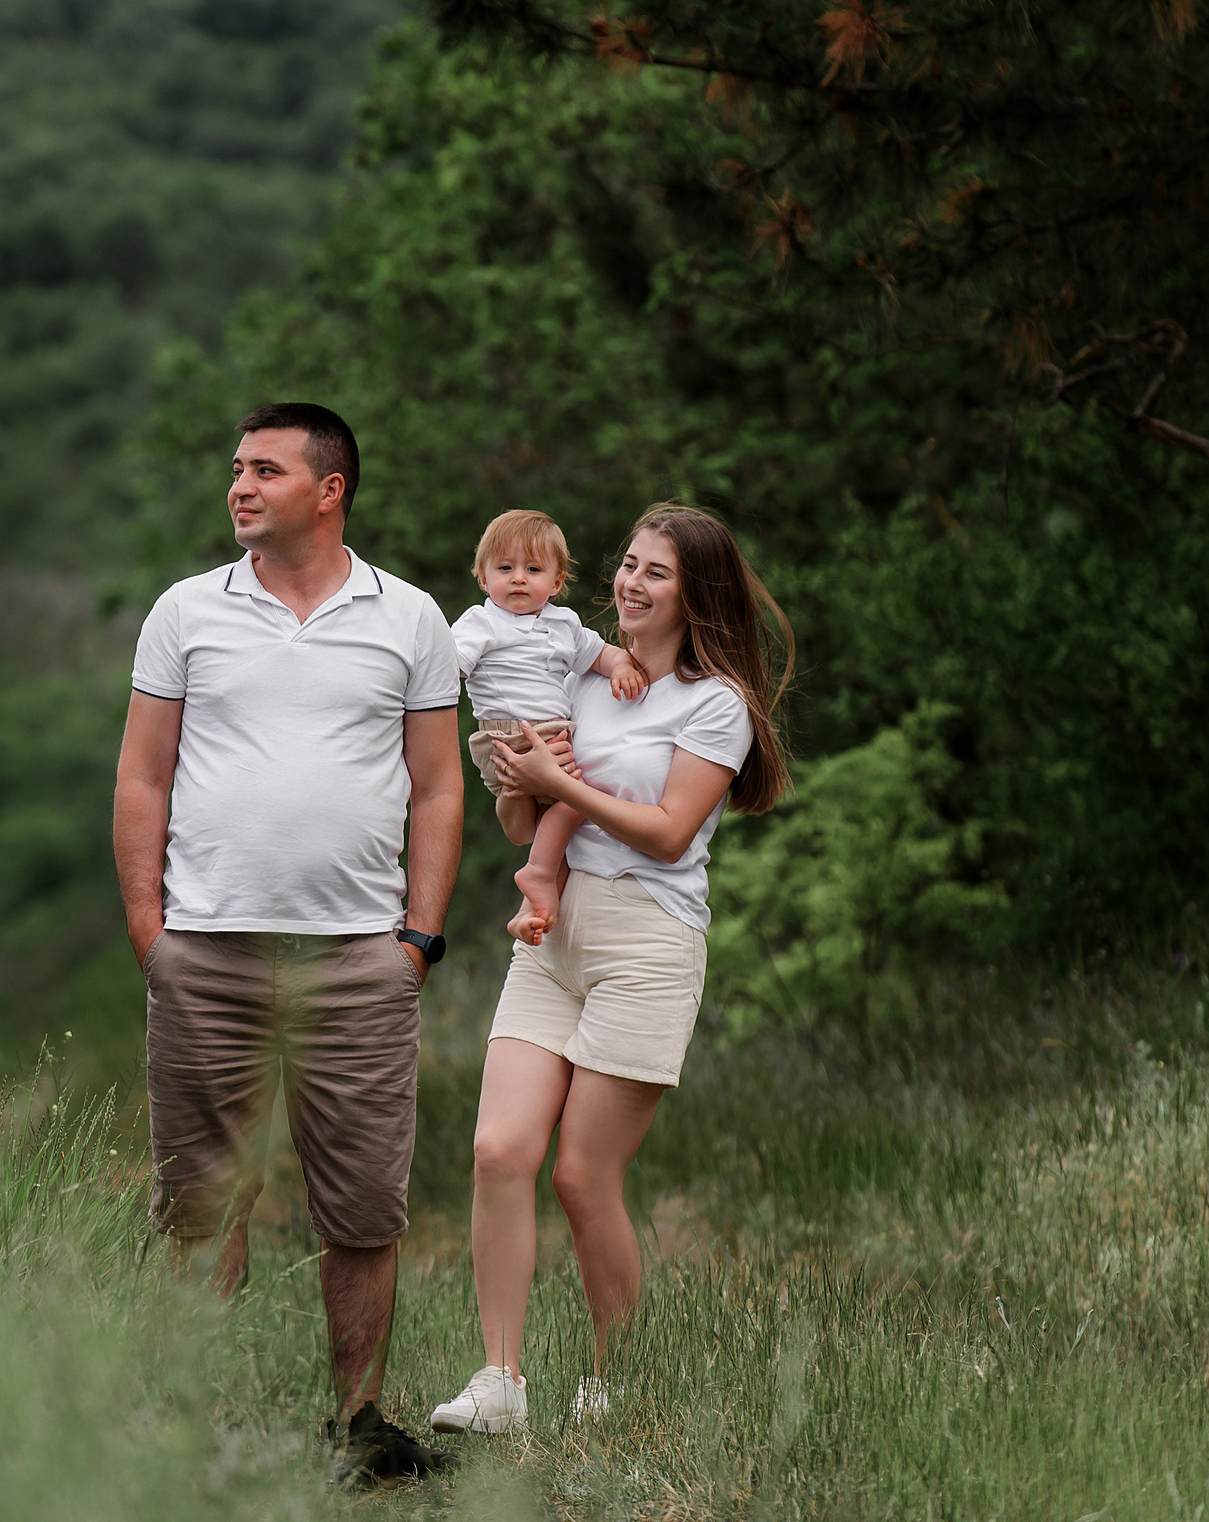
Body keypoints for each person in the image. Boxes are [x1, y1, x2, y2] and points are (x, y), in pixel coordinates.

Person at [112, 402, 467, 1486]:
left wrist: (418, 935)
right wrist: (150, 932)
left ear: (330, 487)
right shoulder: (186, 610)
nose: (237, 486)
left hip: (358, 955)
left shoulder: (409, 617)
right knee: (201, 1197)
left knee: (361, 1202)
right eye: (233, 469)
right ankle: (187, 1420)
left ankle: (359, 1423)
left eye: (263, 469)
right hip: (206, 950)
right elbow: (142, 774)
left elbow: (441, 785)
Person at [429, 504, 792, 1436]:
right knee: (499, 1149)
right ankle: (501, 1380)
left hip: (647, 941)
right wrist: (520, 782)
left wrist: (561, 788)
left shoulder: (717, 706)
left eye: (654, 572)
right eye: (627, 565)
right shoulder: (580, 677)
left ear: (695, 592)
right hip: (551, 933)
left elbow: (671, 833)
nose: (629, 582)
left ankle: (618, 1379)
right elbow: (523, 823)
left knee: (583, 1176)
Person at [448, 509, 646, 947]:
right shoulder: (480, 623)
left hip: (552, 732)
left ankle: (538, 900)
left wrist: (623, 666)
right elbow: (447, 669)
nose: (518, 579)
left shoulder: (564, 624)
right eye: (505, 568)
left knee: (556, 817)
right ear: (483, 578)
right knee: (581, 801)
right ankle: (538, 873)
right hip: (506, 735)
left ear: (556, 583)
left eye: (533, 569)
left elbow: (602, 654)